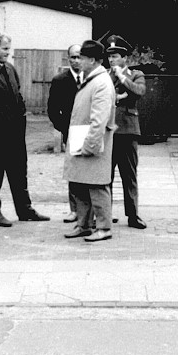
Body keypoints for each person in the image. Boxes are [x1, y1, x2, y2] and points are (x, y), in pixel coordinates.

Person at [0, 32, 50, 225]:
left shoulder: (10, 69)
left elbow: (18, 95)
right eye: (4, 49)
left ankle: (25, 209)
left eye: (9, 49)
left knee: (19, 173)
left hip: (15, 133)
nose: (8, 52)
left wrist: (21, 117)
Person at [63, 39, 116, 242]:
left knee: (97, 186)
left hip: (92, 144)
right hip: (82, 140)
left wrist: (91, 145)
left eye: (82, 58)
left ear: (92, 60)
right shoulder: (93, 79)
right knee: (80, 184)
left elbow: (99, 120)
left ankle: (104, 228)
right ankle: (83, 224)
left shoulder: (101, 83)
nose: (78, 61)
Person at [106, 35, 147, 229]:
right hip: (109, 130)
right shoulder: (103, 75)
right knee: (106, 175)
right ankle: (105, 214)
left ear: (124, 58)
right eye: (109, 56)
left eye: (115, 56)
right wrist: (121, 96)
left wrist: (122, 78)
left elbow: (139, 91)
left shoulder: (135, 74)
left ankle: (133, 215)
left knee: (129, 175)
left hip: (128, 130)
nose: (111, 60)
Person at [47, 44, 83, 223]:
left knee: (93, 170)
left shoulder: (92, 77)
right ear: (68, 59)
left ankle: (94, 210)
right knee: (74, 171)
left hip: (92, 130)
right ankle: (74, 210)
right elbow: (53, 110)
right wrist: (65, 128)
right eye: (73, 57)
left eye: (79, 56)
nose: (76, 61)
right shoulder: (60, 80)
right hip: (72, 131)